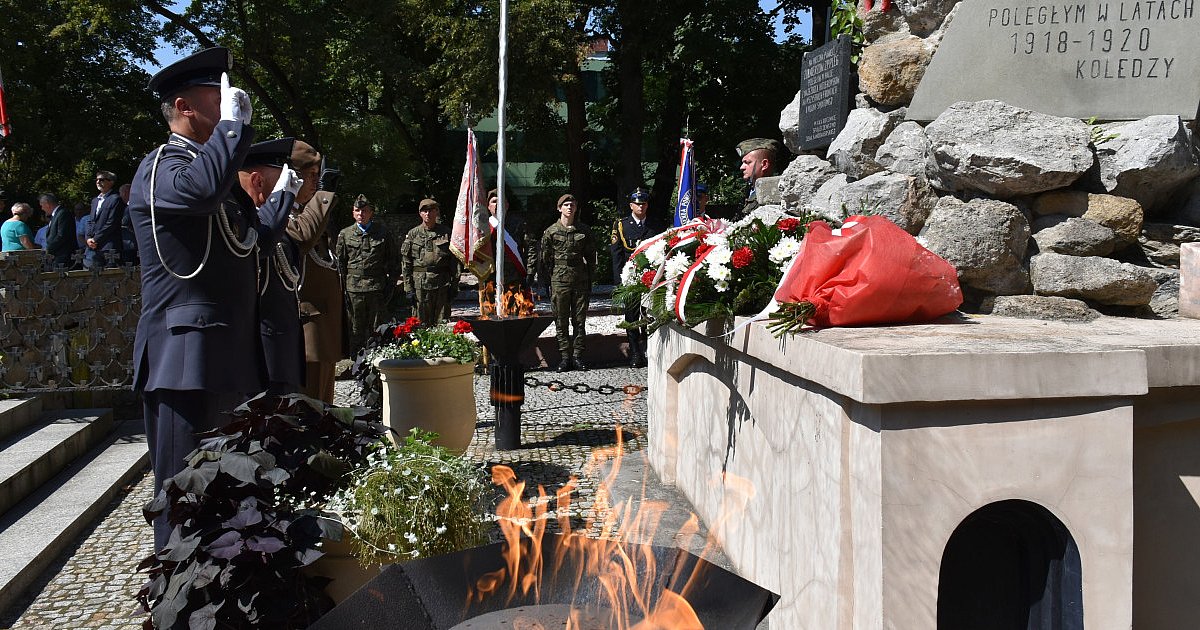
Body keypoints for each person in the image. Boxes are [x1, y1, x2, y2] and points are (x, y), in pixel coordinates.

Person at [127, 47, 295, 549]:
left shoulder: (210, 174)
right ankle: (174, 606)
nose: (226, 105)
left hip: (225, 352)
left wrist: (282, 193)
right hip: (184, 356)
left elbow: (254, 240)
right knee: (183, 492)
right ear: (183, 105)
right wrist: (231, 133)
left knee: (226, 488)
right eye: (213, 96)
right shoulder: (161, 166)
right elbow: (200, 194)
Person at [239, 137, 303, 394]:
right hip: (260, 357)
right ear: (257, 181)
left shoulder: (272, 224)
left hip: (280, 353)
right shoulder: (244, 223)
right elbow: (261, 246)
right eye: (281, 186)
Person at [286, 140, 341, 403]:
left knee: (322, 404)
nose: (315, 183)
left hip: (321, 329)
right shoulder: (280, 213)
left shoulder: (305, 212)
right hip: (305, 329)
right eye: (311, 176)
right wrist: (322, 196)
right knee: (306, 407)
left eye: (318, 177)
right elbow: (302, 238)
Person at [540, 194, 595, 372]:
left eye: (572, 204)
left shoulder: (584, 231)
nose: (569, 207)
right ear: (559, 208)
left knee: (579, 320)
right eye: (566, 205)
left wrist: (590, 279)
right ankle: (565, 357)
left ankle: (578, 356)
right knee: (561, 320)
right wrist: (550, 280)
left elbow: (591, 257)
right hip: (559, 280)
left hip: (580, 279)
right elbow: (545, 258)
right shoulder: (551, 231)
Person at [336, 194, 398, 352]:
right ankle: (356, 363)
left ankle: (377, 362)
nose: (360, 214)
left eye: (364, 211)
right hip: (353, 289)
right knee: (355, 328)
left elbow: (393, 262)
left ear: (371, 213)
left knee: (377, 328)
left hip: (376, 288)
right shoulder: (345, 234)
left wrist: (391, 286)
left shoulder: (383, 233)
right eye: (357, 210)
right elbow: (340, 264)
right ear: (353, 212)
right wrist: (342, 289)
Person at [610, 187, 661, 367]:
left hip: (649, 280)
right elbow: (616, 255)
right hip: (630, 279)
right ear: (631, 206)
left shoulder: (655, 225)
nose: (641, 207)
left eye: (644, 204)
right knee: (631, 318)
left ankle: (648, 350)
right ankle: (635, 353)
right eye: (637, 204)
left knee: (649, 316)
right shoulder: (621, 226)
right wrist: (619, 283)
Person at [401, 198, 460, 325]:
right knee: (420, 323)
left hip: (442, 284)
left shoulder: (446, 233)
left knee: (442, 321)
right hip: (420, 285)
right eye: (424, 211)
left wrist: (454, 285)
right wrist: (408, 288)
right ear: (420, 213)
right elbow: (406, 263)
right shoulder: (413, 234)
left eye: (431, 210)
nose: (428, 214)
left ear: (437, 212)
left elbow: (455, 261)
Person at [736, 138, 784, 218]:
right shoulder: (750, 191)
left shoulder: (775, 193)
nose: (742, 167)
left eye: (747, 162)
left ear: (764, 164)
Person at [88, 170, 126, 267]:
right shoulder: (95, 201)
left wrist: (96, 238)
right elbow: (91, 221)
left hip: (110, 246)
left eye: (101, 180)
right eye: (96, 180)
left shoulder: (115, 199)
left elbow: (112, 222)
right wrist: (88, 238)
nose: (98, 182)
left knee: (111, 278)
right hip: (95, 247)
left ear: (111, 182)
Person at [42, 193, 78, 268]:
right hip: (57, 255)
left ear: (47, 204)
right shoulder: (56, 215)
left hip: (63, 255)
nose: (42, 208)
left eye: (42, 205)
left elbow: (62, 235)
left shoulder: (63, 213)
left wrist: (49, 249)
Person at [118, 183, 138, 265]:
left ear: (125, 192)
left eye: (120, 193)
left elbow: (124, 222)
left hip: (131, 244)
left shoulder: (131, 207)